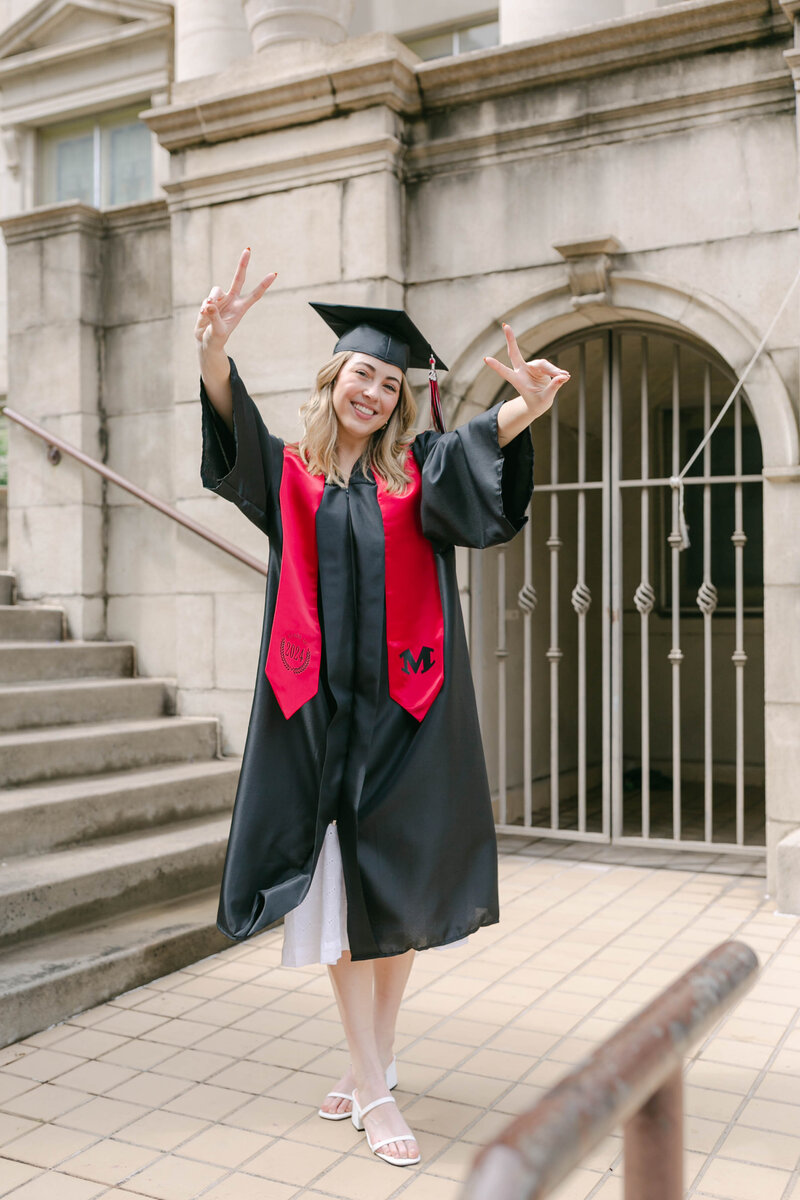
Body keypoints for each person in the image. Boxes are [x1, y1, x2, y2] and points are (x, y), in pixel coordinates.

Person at [195, 248, 570, 1168]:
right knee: (342, 912)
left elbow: (484, 453)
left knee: (392, 906)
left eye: (391, 383)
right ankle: (371, 1086)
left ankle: (376, 1059)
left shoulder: (419, 471)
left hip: (411, 715)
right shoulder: (288, 477)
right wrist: (211, 351)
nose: (375, 391)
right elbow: (232, 433)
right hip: (316, 720)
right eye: (363, 373)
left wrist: (529, 405)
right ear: (335, 380)